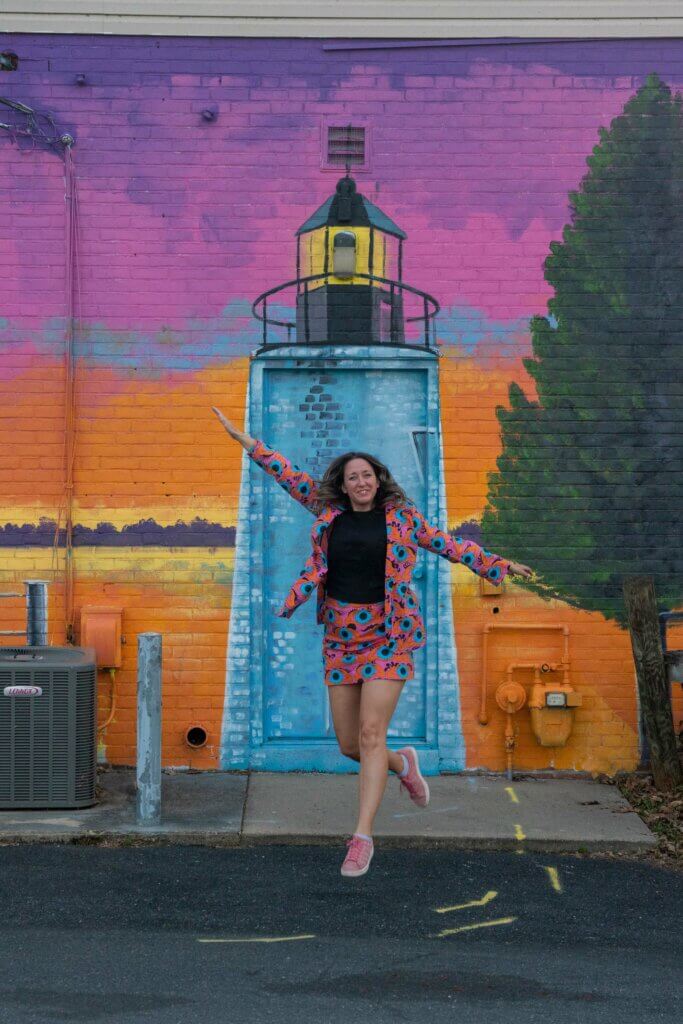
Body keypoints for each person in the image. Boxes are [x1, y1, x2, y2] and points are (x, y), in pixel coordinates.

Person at [213, 407, 533, 877]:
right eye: (353, 477)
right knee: (348, 745)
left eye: (367, 475)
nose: (361, 482)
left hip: (389, 635)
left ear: (378, 480)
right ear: (342, 486)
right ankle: (404, 766)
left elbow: (450, 545)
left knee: (369, 735)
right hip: (342, 638)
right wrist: (246, 440)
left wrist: (497, 565)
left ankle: (361, 837)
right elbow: (287, 474)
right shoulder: (327, 514)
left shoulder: (403, 520)